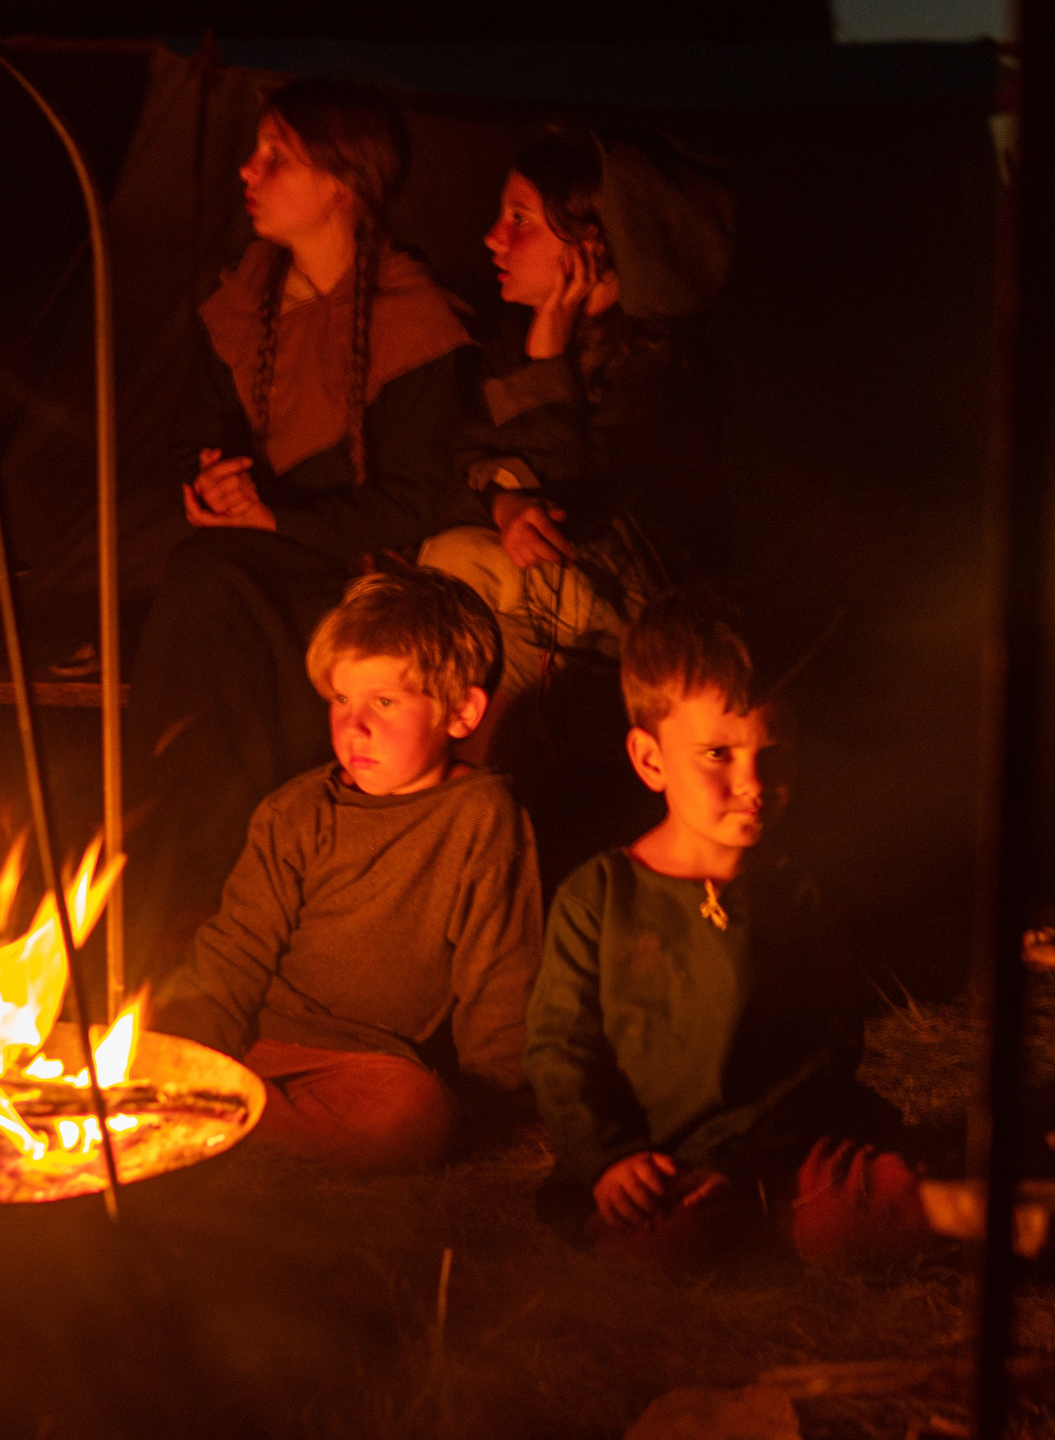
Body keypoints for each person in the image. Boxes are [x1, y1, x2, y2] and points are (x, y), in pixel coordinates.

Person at [124, 76, 480, 985]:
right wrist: (211, 481)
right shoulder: (241, 306)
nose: (249, 170)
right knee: (204, 578)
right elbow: (195, 437)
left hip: (352, 571)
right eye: (255, 151)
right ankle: (187, 889)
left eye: (277, 156)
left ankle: (230, 892)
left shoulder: (412, 321)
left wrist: (278, 516)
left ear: (342, 185)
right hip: (244, 561)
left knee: (211, 584)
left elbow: (418, 499)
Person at [525, 597, 925, 1271]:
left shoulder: (798, 894)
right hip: (652, 1162)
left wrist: (739, 1160)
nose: (753, 783)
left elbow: (825, 1050)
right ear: (650, 760)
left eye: (773, 753)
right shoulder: (598, 898)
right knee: (661, 1243)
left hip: (777, 1149)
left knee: (879, 1208)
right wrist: (610, 1161)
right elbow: (560, 1051)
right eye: (718, 754)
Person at [152, 568, 539, 1175]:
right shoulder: (296, 812)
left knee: (414, 1114)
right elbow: (236, 952)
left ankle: (217, 1119)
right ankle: (207, 1102)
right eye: (340, 700)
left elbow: (500, 971)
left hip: (367, 1067)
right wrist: (190, 1050)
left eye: (383, 702)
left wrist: (495, 1105)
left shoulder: (482, 815)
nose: (353, 726)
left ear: (462, 712)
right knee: (145, 1043)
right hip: (258, 1041)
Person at [420, 128, 734, 704]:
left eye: (520, 219)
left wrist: (547, 361)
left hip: (636, 618)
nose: (493, 237)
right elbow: (460, 465)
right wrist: (505, 504)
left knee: (456, 565)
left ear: (593, 247)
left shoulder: (659, 370)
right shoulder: (510, 340)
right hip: (542, 601)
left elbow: (573, 505)